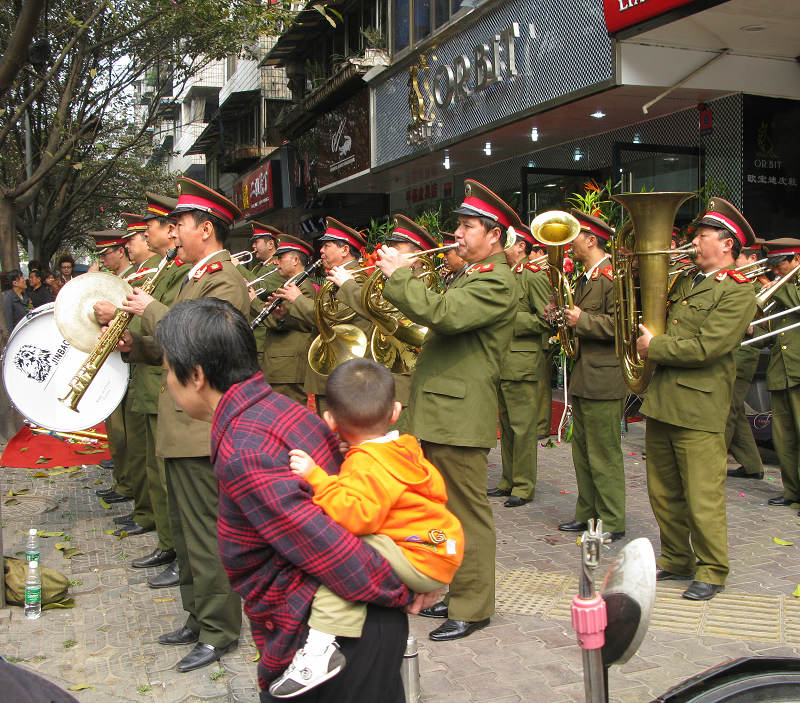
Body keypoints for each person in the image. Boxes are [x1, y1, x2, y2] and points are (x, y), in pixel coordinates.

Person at [153, 297, 437, 703]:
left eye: (167, 371)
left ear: (196, 375)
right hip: (358, 617)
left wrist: (406, 591)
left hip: (332, 640)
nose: (167, 381)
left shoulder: (245, 448)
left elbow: (329, 545)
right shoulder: (279, 409)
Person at [269, 358, 463, 698]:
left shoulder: (365, 462)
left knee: (342, 556)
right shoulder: (403, 448)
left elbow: (357, 516)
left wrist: (318, 478)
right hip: (439, 547)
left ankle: (319, 649)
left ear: (328, 420)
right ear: (396, 411)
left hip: (421, 555)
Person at [377, 179, 517, 641]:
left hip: (459, 415)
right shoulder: (473, 274)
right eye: (458, 224)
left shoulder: (497, 280)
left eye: (467, 226)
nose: (457, 233)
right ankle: (455, 592)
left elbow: (444, 314)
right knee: (443, 511)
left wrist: (399, 275)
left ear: (494, 235)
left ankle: (474, 606)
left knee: (466, 513)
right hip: (440, 411)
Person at [120, 177, 248, 672]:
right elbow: (173, 343)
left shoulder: (224, 279)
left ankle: (218, 629)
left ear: (207, 228)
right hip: (180, 424)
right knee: (186, 530)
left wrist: (146, 309)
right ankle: (197, 618)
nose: (174, 232)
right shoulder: (196, 276)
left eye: (181, 224)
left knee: (207, 535)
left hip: (202, 428)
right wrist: (139, 344)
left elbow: (195, 335)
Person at [637, 197, 757, 601]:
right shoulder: (686, 280)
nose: (694, 242)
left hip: (700, 405)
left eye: (703, 236)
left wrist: (654, 347)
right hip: (663, 400)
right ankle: (675, 558)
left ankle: (712, 568)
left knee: (702, 494)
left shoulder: (739, 291)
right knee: (664, 490)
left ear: (727, 245)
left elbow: (708, 346)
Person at [125, 193, 185, 586]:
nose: (143, 235)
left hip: (179, 385)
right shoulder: (165, 270)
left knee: (172, 479)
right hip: (155, 376)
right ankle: (167, 541)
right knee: (154, 467)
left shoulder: (187, 273)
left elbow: (183, 329)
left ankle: (180, 550)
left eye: (152, 227)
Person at [556, 210, 627, 541]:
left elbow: (620, 327)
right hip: (586, 376)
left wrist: (581, 319)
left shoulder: (614, 278)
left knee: (604, 455)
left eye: (573, 238)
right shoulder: (585, 278)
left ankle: (612, 520)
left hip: (604, 378)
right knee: (582, 452)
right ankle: (588, 514)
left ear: (591, 239)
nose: (569, 244)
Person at [274, 218, 370, 415]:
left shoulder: (356, 278)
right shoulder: (336, 277)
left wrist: (298, 300)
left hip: (342, 371)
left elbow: (331, 318)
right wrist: (287, 311)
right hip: (333, 369)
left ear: (344, 250)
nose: (321, 251)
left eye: (327, 246)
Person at [488, 222, 551, 507]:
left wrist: (510, 320)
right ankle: (508, 479)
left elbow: (546, 319)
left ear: (521, 247)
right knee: (508, 425)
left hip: (522, 363)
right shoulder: (508, 275)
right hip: (502, 361)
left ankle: (523, 486)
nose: (504, 251)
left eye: (509, 244)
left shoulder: (533, 275)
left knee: (523, 428)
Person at [88, 232, 136, 507]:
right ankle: (123, 481)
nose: (103, 259)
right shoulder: (116, 280)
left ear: (120, 251)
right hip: (115, 359)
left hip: (131, 359)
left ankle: (128, 486)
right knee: (116, 431)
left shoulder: (136, 277)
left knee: (127, 434)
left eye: (106, 253)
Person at [758, 238, 800, 509]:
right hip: (779, 370)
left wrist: (772, 287)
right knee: (784, 438)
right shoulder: (779, 290)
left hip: (798, 369)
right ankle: (792, 492)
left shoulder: (788, 289)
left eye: (780, 263)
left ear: (796, 260)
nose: (775, 270)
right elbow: (767, 336)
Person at [257, 234, 317, 405]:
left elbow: (278, 322)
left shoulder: (302, 288)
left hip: (288, 367)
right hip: (280, 366)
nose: (276, 262)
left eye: (281, 257)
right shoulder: (289, 285)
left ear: (296, 260)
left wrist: (253, 301)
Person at [725, 243, 767, 480]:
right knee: (735, 410)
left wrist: (752, 329)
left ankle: (711, 462)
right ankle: (752, 465)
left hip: (744, 355)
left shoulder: (757, 286)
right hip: (733, 352)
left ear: (752, 258)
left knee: (727, 410)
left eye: (738, 255)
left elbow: (765, 330)